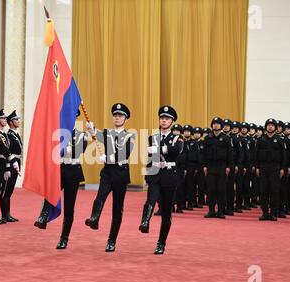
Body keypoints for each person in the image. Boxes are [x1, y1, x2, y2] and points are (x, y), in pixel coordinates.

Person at [85, 103, 136, 252]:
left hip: (121, 174)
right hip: (107, 173)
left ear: (125, 118)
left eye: (120, 116)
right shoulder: (107, 133)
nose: (117, 118)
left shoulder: (130, 135)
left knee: (117, 208)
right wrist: (90, 127)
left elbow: (125, 153)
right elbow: (95, 133)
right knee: (100, 196)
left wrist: (107, 157)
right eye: (115, 115)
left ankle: (111, 241)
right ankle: (94, 218)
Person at [35, 109, 88, 248]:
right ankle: (43, 216)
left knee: (69, 207)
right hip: (59, 169)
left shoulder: (82, 135)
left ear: (76, 118)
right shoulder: (57, 134)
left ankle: (64, 238)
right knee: (49, 194)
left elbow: (78, 151)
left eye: (71, 116)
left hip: (73, 171)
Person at [139, 106, 182, 254]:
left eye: (167, 119)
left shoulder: (177, 138)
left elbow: (175, 151)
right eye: (162, 118)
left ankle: (161, 243)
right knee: (150, 199)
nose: (164, 121)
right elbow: (150, 159)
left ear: (172, 121)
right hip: (155, 174)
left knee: (166, 212)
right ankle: (145, 222)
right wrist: (146, 175)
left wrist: (159, 150)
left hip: (169, 176)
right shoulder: (153, 137)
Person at [255, 118, 286, 221]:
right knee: (263, 191)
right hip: (263, 167)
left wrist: (282, 168)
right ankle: (264, 213)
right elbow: (256, 155)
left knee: (274, 191)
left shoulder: (280, 140)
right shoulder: (260, 139)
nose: (270, 127)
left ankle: (273, 213)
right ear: (266, 127)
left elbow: (284, 156)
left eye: (272, 125)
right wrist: (257, 167)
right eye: (268, 125)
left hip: (275, 167)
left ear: (275, 128)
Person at [203, 117, 233, 219]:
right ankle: (211, 210)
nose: (215, 125)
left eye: (218, 124)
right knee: (210, 189)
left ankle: (220, 211)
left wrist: (228, 167)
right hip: (210, 166)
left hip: (222, 166)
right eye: (214, 123)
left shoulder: (226, 138)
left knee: (221, 189)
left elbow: (230, 154)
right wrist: (204, 166)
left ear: (221, 126)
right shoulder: (208, 138)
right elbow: (204, 154)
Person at [0, 110, 22, 223]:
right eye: (16, 120)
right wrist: (8, 167)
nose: (18, 121)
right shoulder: (8, 135)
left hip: (16, 161)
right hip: (10, 163)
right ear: (11, 122)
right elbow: (7, 152)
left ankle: (7, 214)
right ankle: (4, 215)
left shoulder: (15, 134)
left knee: (10, 190)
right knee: (5, 190)